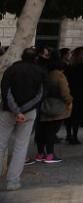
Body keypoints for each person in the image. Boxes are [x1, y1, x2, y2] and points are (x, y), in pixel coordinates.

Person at [0, 48, 47, 191]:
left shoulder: (11, 70)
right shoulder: (41, 72)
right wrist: (23, 110)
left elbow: (5, 91)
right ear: (36, 58)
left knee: (1, 144)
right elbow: (40, 95)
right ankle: (13, 181)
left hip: (8, 111)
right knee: (21, 146)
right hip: (29, 113)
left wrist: (15, 110)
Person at [33, 54, 73, 164]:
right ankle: (50, 154)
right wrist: (69, 101)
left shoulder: (45, 74)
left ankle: (40, 153)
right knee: (51, 132)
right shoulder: (59, 76)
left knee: (41, 131)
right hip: (56, 106)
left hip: (43, 105)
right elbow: (65, 92)